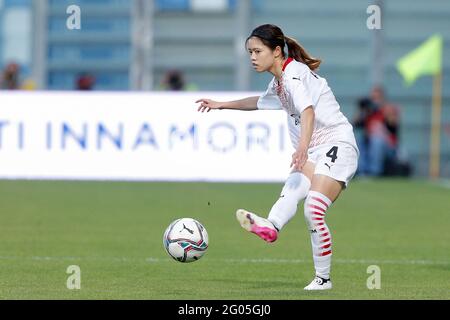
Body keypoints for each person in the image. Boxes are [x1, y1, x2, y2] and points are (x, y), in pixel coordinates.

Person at [196, 24, 359, 290]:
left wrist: (303, 147)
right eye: (249, 51)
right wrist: (221, 104)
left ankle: (323, 279)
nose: (252, 56)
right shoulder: (279, 82)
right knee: (293, 190)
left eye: (258, 51)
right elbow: (258, 102)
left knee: (313, 210)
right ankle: (272, 225)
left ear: (276, 51)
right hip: (314, 149)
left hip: (336, 144)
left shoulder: (294, 75)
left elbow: (307, 111)